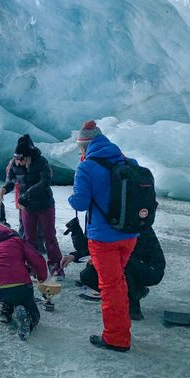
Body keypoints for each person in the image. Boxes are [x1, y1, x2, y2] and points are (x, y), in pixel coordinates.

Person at [68, 121, 139, 352]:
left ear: (85, 145)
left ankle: (116, 338)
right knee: (118, 283)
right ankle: (122, 328)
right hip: (129, 233)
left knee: (110, 287)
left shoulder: (87, 167)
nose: (80, 152)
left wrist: (71, 197)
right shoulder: (128, 162)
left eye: (80, 148)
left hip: (103, 238)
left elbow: (79, 202)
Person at [62, 224, 165, 321]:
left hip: (150, 268)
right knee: (88, 275)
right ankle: (134, 292)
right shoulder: (99, 215)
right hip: (127, 260)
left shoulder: (128, 217)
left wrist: (100, 258)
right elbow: (95, 245)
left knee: (121, 264)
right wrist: (75, 255)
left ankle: (133, 308)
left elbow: (125, 252)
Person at [0, 134, 64, 276]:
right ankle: (34, 266)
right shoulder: (15, 165)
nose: (18, 162)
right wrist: (4, 189)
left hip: (44, 204)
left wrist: (27, 194)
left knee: (49, 236)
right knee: (29, 238)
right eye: (16, 158)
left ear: (28, 157)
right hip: (27, 206)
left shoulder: (41, 162)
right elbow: (10, 181)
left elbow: (45, 182)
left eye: (21, 159)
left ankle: (55, 266)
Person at [0, 223, 48, 341]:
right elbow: (38, 259)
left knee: (5, 295)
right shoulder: (17, 241)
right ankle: (29, 320)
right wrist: (42, 277)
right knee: (33, 313)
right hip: (19, 286)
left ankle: (4, 312)